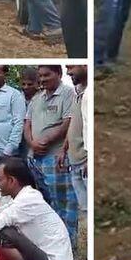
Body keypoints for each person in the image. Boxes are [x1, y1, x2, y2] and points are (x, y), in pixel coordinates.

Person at [25, 65, 78, 246]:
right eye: (40, 76)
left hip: (55, 157)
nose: (42, 79)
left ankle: (69, 245)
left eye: (47, 75)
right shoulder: (37, 98)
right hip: (34, 158)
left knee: (64, 204)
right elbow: (27, 124)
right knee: (46, 204)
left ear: (59, 74)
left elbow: (69, 122)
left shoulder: (68, 94)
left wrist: (47, 140)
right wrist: (32, 143)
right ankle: (52, 243)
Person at [60, 65, 88, 222]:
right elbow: (74, 123)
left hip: (85, 161)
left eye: (71, 67)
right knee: (84, 210)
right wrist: (64, 149)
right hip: (74, 161)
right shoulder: (77, 91)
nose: (68, 72)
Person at [18, 67, 40, 160]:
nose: (26, 87)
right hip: (19, 141)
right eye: (23, 84)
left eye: (29, 84)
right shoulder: (17, 98)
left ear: (37, 83)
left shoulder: (42, 98)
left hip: (35, 139)